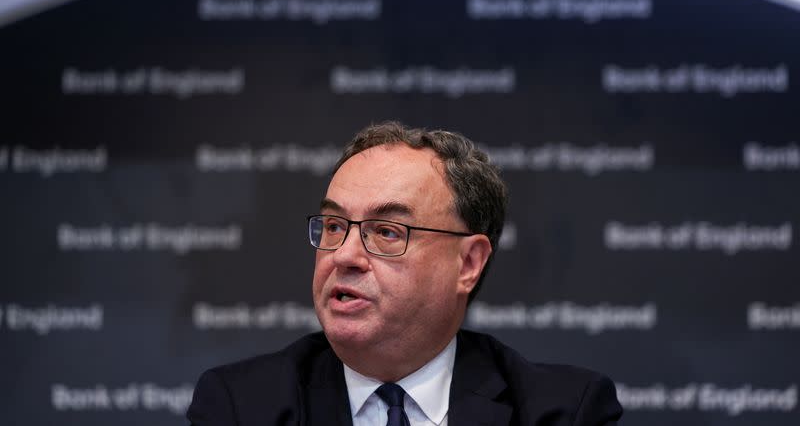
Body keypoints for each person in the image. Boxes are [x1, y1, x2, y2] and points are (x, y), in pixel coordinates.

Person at [187, 121, 623, 425]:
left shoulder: (563, 412)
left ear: (468, 263)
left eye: (387, 232)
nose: (345, 256)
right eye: (335, 226)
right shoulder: (241, 407)